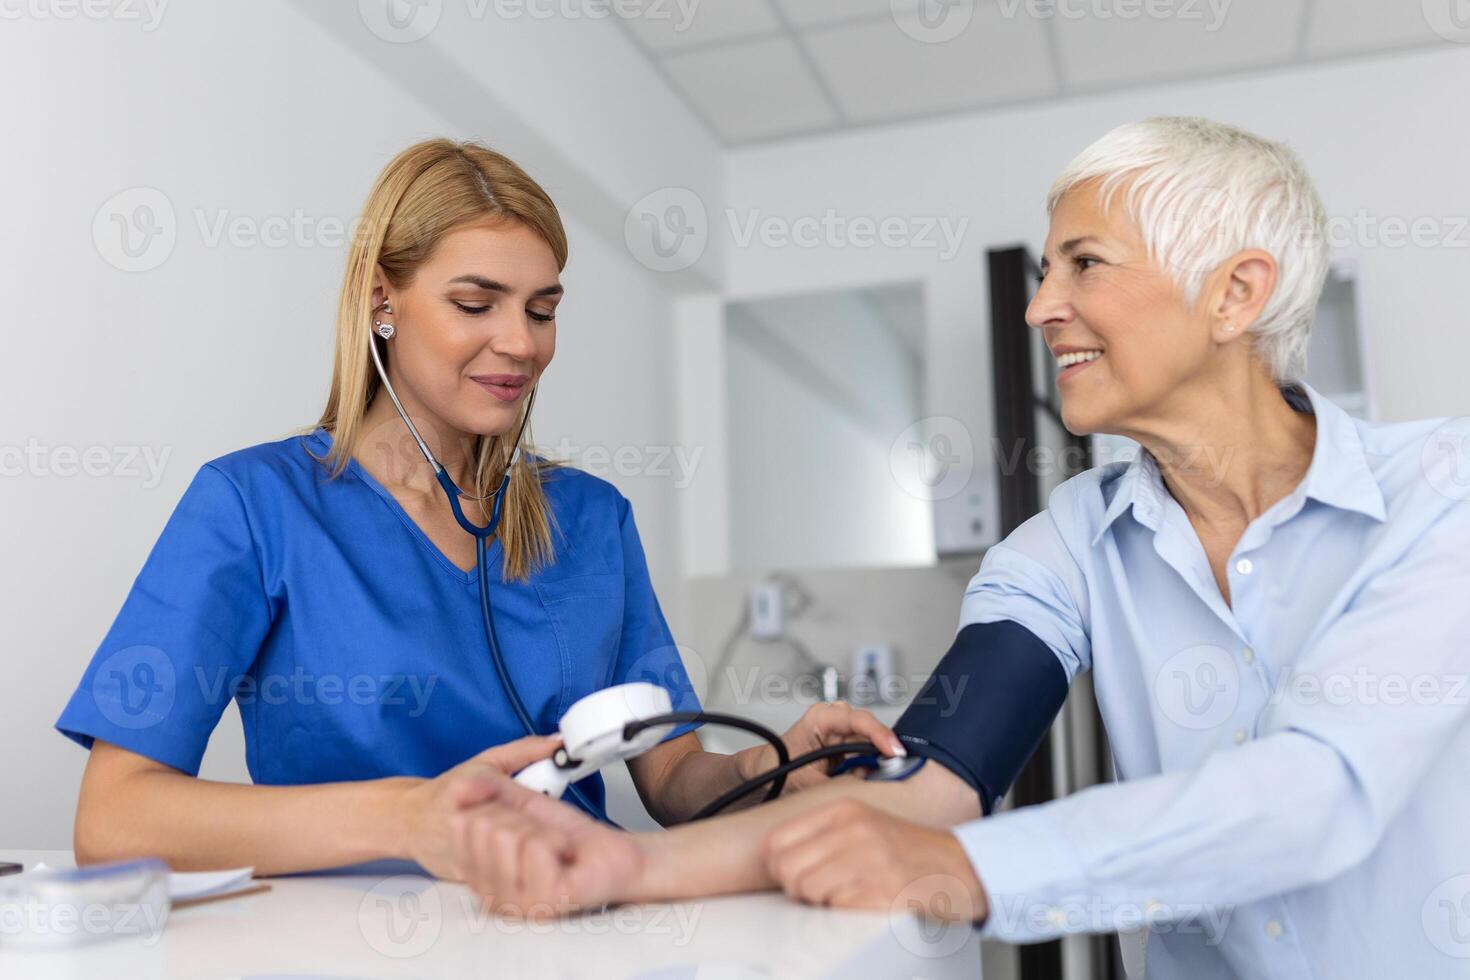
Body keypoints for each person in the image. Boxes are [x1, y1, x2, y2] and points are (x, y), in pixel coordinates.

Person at [441, 118, 1470, 978]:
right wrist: (625, 868)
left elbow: (1318, 791)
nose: (1040, 305)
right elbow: (931, 775)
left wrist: (970, 870)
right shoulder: (1068, 540)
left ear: (1236, 293)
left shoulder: (1442, 494)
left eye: (1086, 263)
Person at [55, 138, 900, 878]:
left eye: (542, 311)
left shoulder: (592, 520)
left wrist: (775, 764)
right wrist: (410, 818)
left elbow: (673, 781)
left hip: (572, 921)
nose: (522, 343)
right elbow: (116, 817)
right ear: (382, 301)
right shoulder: (254, 505)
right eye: (475, 304)